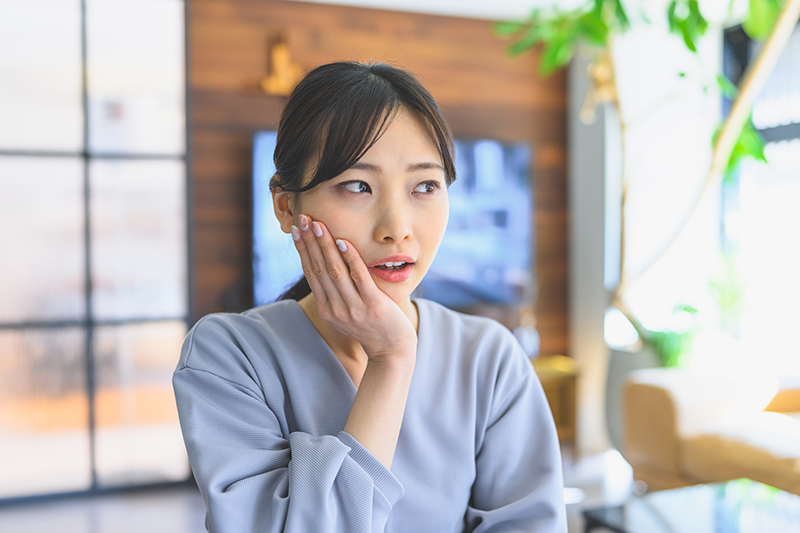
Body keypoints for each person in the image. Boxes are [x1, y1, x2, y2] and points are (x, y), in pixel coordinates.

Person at [173, 61, 566, 533]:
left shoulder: (489, 358)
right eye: (358, 185)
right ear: (285, 205)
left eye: (425, 186)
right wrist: (391, 360)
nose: (397, 228)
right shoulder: (229, 356)